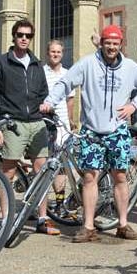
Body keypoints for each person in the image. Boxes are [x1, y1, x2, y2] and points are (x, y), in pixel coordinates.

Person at [42, 25, 137, 243]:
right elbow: (65, 83)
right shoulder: (87, 63)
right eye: (107, 43)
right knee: (89, 177)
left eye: (115, 43)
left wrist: (133, 105)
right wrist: (48, 102)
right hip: (91, 131)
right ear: (101, 43)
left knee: (120, 177)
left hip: (118, 131)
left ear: (120, 44)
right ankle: (88, 226)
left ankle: (122, 224)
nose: (111, 47)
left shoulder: (130, 67)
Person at [0, 20, 58, 235]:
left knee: (42, 172)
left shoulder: (36, 64)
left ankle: (42, 219)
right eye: (20, 34)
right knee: (7, 172)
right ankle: (6, 220)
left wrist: (47, 106)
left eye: (28, 35)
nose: (24, 38)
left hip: (36, 123)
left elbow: (44, 93)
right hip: (12, 122)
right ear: (13, 36)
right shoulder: (0, 63)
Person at [43, 39, 76, 220]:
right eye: (52, 52)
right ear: (48, 53)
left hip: (62, 125)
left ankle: (59, 203)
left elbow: (70, 100)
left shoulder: (67, 73)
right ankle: (40, 203)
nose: (55, 54)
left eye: (58, 52)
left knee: (61, 166)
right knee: (43, 165)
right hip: (45, 123)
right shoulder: (41, 73)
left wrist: (70, 120)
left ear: (62, 54)